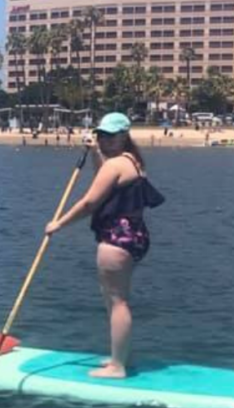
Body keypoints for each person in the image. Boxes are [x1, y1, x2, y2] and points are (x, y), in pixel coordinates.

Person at [45, 112, 164, 378]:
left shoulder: (116, 165)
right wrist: (96, 154)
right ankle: (121, 357)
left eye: (111, 136)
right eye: (102, 135)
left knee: (117, 301)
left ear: (124, 136)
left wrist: (58, 224)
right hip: (134, 236)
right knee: (115, 299)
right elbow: (106, 180)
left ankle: (118, 367)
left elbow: (90, 203)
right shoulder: (132, 161)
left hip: (116, 238)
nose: (105, 140)